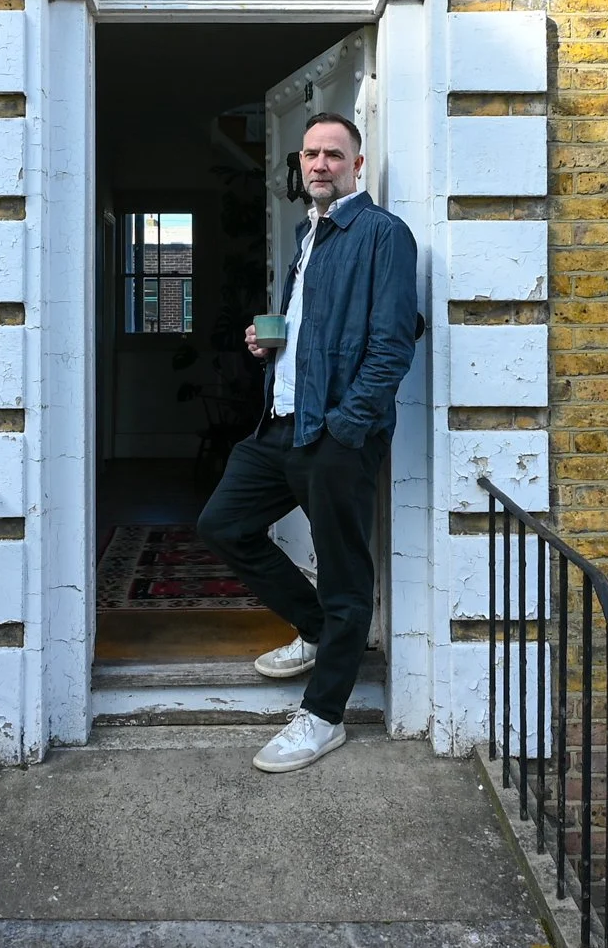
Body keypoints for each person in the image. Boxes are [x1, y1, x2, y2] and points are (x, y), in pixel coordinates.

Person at [196, 111, 418, 773]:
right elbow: (314, 334)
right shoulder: (308, 235)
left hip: (335, 433)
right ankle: (318, 630)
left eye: (333, 154)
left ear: (356, 162)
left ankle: (324, 716)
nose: (319, 164)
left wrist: (348, 428)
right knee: (223, 524)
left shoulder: (383, 234)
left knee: (347, 577)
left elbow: (392, 343)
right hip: (282, 421)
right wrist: (271, 345)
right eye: (310, 155)